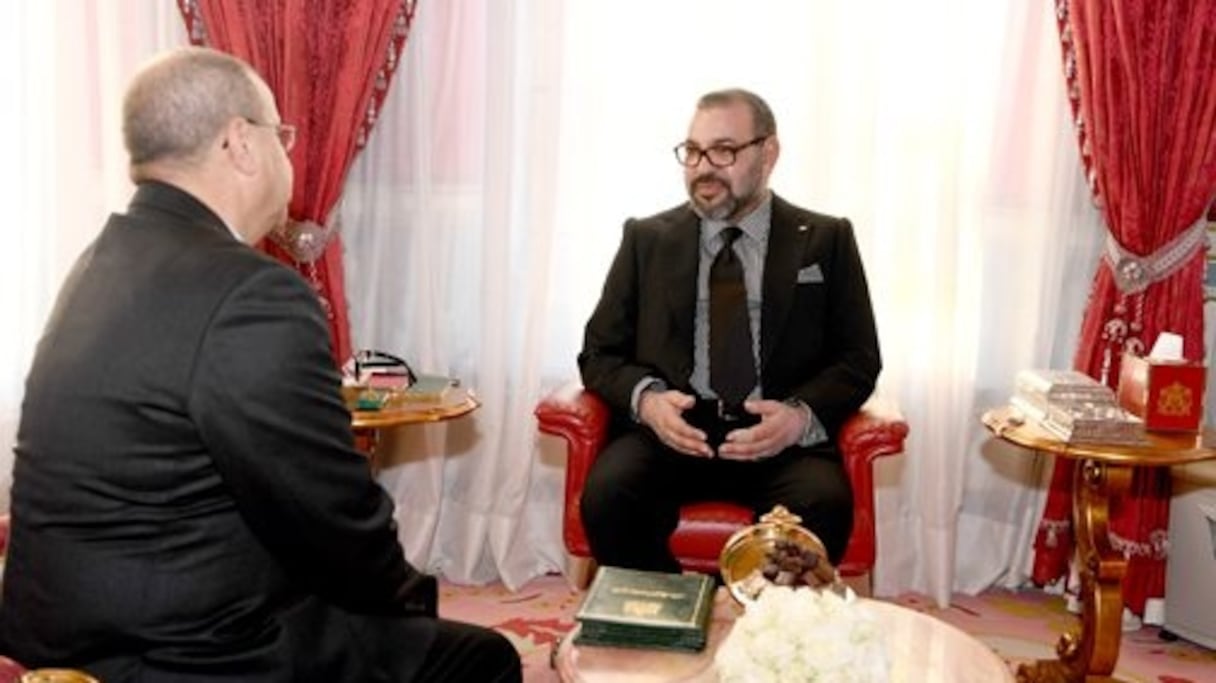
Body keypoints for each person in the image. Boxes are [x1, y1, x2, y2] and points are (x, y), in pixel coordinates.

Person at [0, 47, 520, 683]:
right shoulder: (250, 293)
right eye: (283, 136)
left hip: (65, 629)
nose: (289, 155)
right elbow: (328, 510)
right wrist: (412, 602)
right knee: (480, 659)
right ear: (241, 144)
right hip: (184, 651)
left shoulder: (102, 261)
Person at [578, 88, 881, 573]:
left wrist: (798, 418)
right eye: (693, 152)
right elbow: (599, 353)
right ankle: (670, 624)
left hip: (778, 440)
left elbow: (858, 358)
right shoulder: (647, 239)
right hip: (675, 433)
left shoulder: (826, 239)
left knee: (821, 509)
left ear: (769, 153)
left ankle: (760, 638)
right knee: (610, 496)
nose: (703, 167)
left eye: (723, 150)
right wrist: (650, 402)